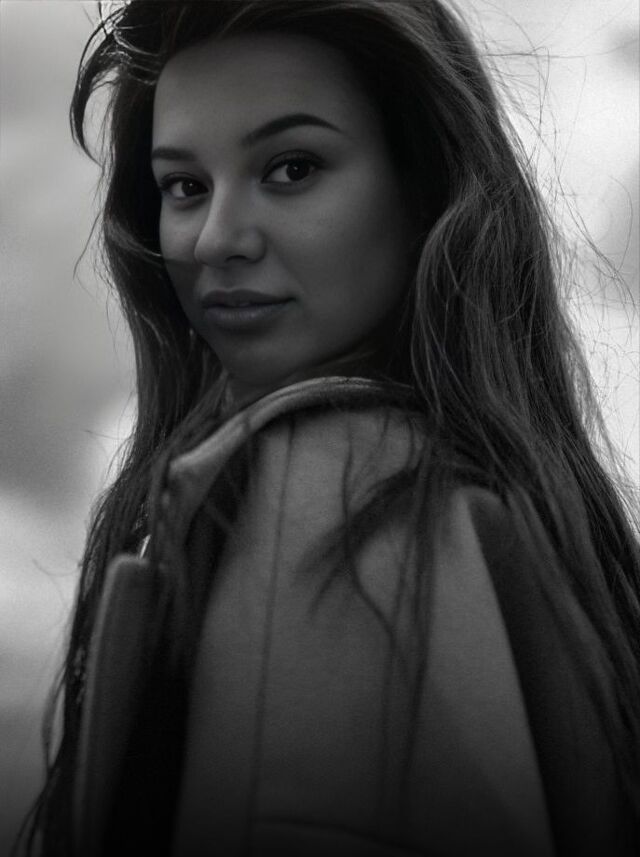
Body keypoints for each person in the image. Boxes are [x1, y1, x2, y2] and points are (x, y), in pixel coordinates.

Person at [21, 0, 640, 854]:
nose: (216, 239)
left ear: (425, 185)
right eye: (185, 186)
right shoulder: (488, 487)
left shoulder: (328, 486)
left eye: (292, 168)